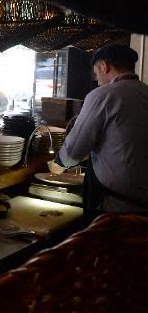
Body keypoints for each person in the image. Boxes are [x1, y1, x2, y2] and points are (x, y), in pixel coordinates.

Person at [52, 44, 148, 216]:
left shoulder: (102, 95)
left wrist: (60, 162)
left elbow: (74, 150)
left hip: (115, 205)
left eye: (96, 74)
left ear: (104, 66)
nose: (97, 80)